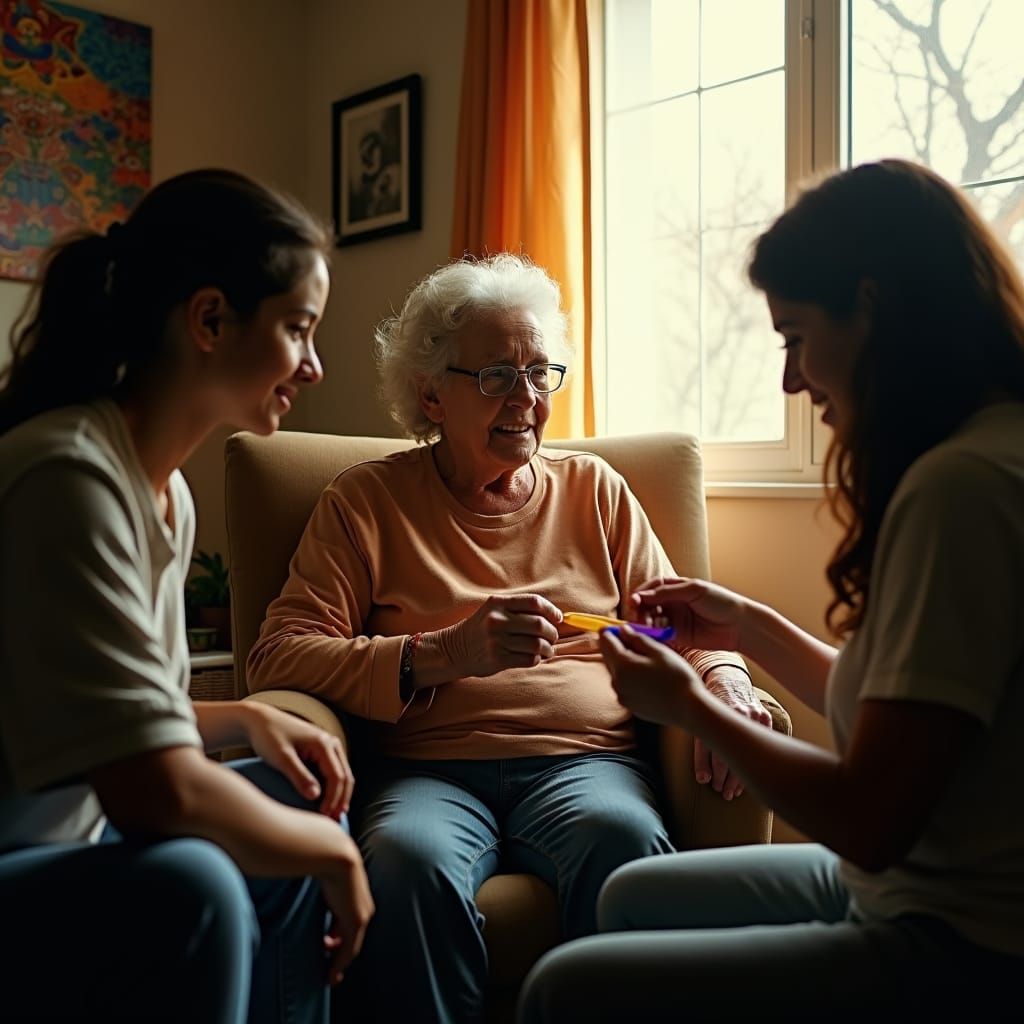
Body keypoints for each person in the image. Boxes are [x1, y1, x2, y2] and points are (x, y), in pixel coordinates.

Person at [517, 159, 1024, 1022]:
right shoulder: (987, 449)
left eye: (794, 338)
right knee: (631, 897)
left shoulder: (960, 491)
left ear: (872, 308)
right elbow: (910, 717)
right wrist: (748, 628)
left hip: (964, 937)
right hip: (915, 884)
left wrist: (694, 706)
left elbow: (867, 818)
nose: (792, 380)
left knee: (561, 989)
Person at [246, 253, 773, 1023]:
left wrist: (723, 673)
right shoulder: (365, 502)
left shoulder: (596, 492)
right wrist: (443, 654)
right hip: (429, 772)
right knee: (404, 861)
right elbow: (278, 654)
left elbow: (675, 625)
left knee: (624, 839)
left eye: (539, 374)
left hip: (586, 765)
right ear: (431, 393)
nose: (525, 399)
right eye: (495, 376)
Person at [0, 168, 374, 1024]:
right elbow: (148, 788)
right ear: (209, 320)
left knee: (305, 801)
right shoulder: (66, 475)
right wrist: (337, 860)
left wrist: (247, 719)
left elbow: (126, 717)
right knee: (198, 879)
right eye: (297, 330)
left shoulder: (163, 489)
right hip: (19, 856)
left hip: (70, 844)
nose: (313, 366)